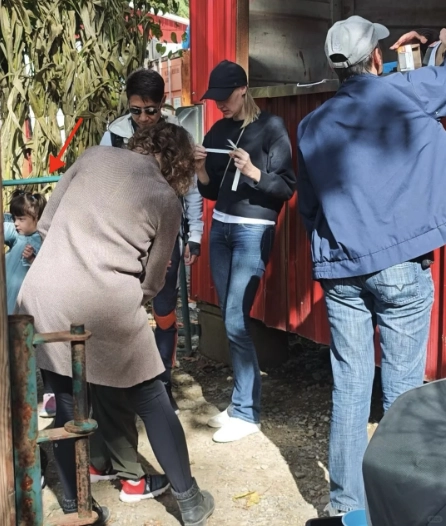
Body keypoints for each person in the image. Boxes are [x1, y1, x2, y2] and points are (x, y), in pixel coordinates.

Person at [17, 122, 215, 526]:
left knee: (66, 402)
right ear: (179, 163)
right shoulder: (166, 198)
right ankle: (190, 501)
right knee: (152, 398)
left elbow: (47, 224)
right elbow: (154, 279)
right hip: (106, 302)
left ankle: (76, 507)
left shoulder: (93, 156)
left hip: (43, 294)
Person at [296, 16, 446, 516]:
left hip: (341, 269)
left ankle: (346, 508)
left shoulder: (311, 124)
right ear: (376, 58)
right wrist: (437, 49)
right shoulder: (406, 92)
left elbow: (308, 207)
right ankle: (399, 511)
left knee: (351, 386)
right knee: (402, 395)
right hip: (401, 264)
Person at [89, 67, 204, 502]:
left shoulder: (177, 136)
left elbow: (190, 192)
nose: (142, 119)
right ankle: (133, 395)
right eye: (136, 111)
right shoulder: (113, 136)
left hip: (164, 236)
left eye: (150, 111)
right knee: (121, 326)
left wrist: (194, 236)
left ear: (162, 106)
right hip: (123, 242)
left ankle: (162, 382)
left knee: (164, 312)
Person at [195, 60, 296, 443]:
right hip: (221, 228)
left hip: (253, 231)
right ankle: (239, 402)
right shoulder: (219, 129)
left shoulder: (271, 127)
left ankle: (247, 414)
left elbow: (286, 187)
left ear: (242, 89)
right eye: (215, 98)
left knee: (236, 319)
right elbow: (210, 191)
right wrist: (201, 169)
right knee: (229, 317)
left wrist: (254, 172)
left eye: (225, 96)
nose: (219, 103)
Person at [3, 191, 56, 419]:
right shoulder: (17, 236)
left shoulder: (43, 242)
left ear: (37, 219)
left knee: (45, 354)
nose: (16, 223)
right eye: (15, 218)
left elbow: (47, 273)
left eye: (21, 219)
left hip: (32, 310)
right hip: (11, 309)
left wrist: (34, 259)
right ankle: (16, 399)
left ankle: (51, 399)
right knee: (14, 355)